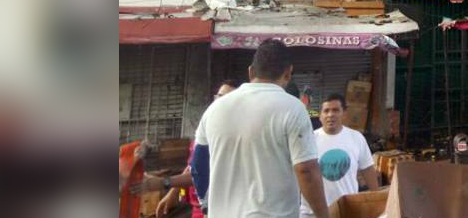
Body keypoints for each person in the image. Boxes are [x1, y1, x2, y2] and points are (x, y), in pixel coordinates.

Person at [192, 40, 330, 218]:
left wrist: (206, 206)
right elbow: (306, 170)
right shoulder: (293, 108)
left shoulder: (214, 109)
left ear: (250, 71)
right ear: (288, 73)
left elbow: (198, 166)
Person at [132, 80, 241, 218]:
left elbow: (201, 173)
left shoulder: (233, 137)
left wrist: (162, 182)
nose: (221, 103)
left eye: (228, 99)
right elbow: (192, 167)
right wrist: (174, 192)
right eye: (220, 97)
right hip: (197, 207)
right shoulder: (205, 129)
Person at [300, 94, 378, 218]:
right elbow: (300, 173)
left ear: (345, 113)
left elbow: (367, 169)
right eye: (326, 111)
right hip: (312, 213)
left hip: (347, 210)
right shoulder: (309, 140)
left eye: (335, 110)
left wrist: (378, 201)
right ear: (320, 116)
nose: (330, 115)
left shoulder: (356, 138)